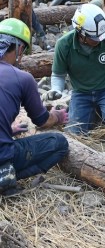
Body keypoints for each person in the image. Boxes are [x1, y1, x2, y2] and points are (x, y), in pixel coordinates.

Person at [0, 18, 69, 196]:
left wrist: (7, 129)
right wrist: (56, 116)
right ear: (20, 49)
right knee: (60, 143)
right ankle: (6, 176)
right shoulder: (22, 78)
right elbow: (42, 121)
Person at [45, 3, 105, 135]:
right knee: (75, 132)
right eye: (95, 37)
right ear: (81, 34)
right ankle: (94, 114)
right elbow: (58, 74)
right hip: (81, 93)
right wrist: (56, 89)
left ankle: (102, 112)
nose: (100, 39)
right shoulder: (63, 45)